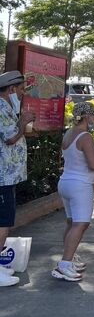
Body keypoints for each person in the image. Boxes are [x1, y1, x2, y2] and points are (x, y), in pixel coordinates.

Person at [51, 102, 94, 282]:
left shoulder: (69, 133)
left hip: (66, 182)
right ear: (86, 116)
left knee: (71, 222)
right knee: (81, 224)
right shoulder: (85, 137)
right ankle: (64, 264)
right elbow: (93, 164)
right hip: (81, 185)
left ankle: (69, 257)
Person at [0, 71, 36, 289]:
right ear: (11, 89)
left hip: (7, 176)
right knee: (3, 223)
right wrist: (23, 123)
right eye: (21, 89)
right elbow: (10, 138)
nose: (23, 94)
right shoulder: (2, 107)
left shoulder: (7, 108)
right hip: (3, 176)